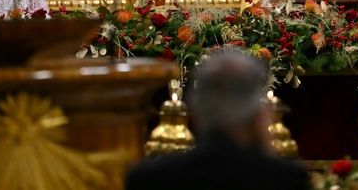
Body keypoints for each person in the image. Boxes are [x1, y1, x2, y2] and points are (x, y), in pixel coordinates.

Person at [125, 51, 310, 190]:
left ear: (195, 114)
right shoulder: (285, 179)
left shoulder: (149, 179)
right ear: (257, 116)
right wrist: (267, 153)